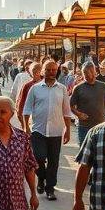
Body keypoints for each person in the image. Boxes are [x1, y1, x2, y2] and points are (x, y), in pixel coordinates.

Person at [22, 60, 72, 201]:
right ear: (43, 71)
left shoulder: (62, 89)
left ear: (57, 71)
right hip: (38, 130)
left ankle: (50, 188)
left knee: (53, 161)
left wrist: (68, 130)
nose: (51, 72)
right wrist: (26, 126)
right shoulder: (35, 88)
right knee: (38, 157)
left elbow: (66, 111)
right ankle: (42, 177)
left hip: (56, 131)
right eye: (48, 70)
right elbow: (26, 109)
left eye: (53, 70)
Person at [70, 61, 105, 145]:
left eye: (92, 72)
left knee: (99, 152)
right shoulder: (78, 88)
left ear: (95, 71)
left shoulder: (103, 86)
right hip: (83, 127)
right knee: (84, 152)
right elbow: (71, 106)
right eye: (86, 74)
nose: (90, 76)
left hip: (100, 126)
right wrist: (79, 114)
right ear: (83, 73)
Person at [14, 62, 42, 127]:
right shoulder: (27, 86)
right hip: (31, 120)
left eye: (38, 71)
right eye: (34, 71)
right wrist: (24, 124)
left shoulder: (47, 84)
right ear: (30, 72)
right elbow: (20, 105)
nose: (36, 73)